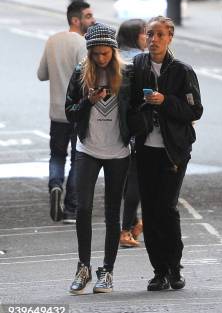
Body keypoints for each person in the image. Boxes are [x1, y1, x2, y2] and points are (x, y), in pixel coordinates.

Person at [130, 16, 203, 291]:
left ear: (170, 37)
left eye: (160, 35)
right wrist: (143, 107)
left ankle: (174, 268)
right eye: (150, 34)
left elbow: (195, 111)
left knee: (167, 208)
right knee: (150, 208)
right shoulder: (138, 65)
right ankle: (158, 271)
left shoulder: (182, 71)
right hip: (146, 148)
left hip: (173, 150)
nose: (154, 40)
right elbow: (129, 102)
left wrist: (165, 102)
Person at [65, 23, 132, 294]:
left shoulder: (127, 75)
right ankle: (83, 267)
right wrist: (88, 102)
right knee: (83, 208)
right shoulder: (81, 73)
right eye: (96, 54)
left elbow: (136, 110)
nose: (101, 58)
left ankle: (108, 270)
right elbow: (69, 111)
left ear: (113, 52)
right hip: (88, 150)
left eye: (105, 54)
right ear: (90, 53)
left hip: (118, 151)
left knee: (112, 213)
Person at [37, 1, 95, 223]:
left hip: (56, 112)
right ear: (75, 20)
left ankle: (54, 185)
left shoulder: (52, 41)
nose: (92, 20)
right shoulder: (83, 44)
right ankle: (71, 208)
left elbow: (41, 74)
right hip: (78, 110)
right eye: (88, 16)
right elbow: (87, 78)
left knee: (57, 155)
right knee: (78, 159)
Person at [116, 19, 147, 248]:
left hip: (115, 126)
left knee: (128, 179)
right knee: (136, 178)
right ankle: (126, 230)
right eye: (146, 34)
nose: (149, 39)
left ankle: (133, 224)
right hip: (137, 126)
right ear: (136, 36)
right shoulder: (139, 60)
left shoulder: (114, 57)